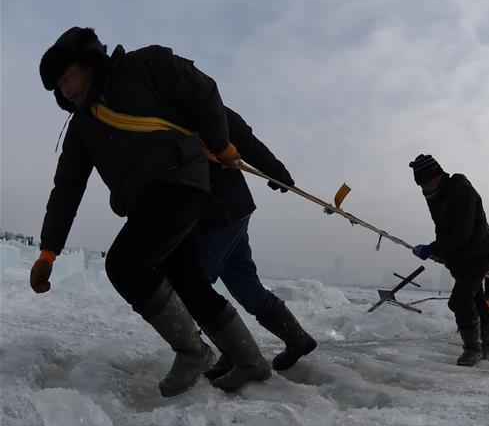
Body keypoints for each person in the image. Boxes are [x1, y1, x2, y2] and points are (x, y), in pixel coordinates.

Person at [33, 26, 270, 397]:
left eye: (67, 77)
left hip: (180, 180)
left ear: (87, 61)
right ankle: (250, 360)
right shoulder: (82, 128)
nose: (66, 89)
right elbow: (66, 189)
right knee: (186, 277)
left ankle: (193, 352)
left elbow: (202, 90)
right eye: (58, 88)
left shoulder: (143, 65)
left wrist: (222, 144)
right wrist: (49, 250)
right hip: (148, 201)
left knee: (124, 265)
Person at [199, 108, 318, 381]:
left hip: (220, 211)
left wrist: (276, 172)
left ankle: (233, 352)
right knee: (244, 284)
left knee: (192, 284)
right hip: (225, 210)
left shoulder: (190, 98)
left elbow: (242, 137)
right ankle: (296, 338)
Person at [409, 155, 489, 366]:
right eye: (420, 185)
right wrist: (439, 252)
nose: (423, 189)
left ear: (437, 176)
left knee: (459, 300)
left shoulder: (461, 189)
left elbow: (462, 234)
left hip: (479, 252)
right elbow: (443, 230)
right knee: (475, 299)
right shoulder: (434, 196)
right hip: (460, 256)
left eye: (425, 183)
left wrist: (432, 249)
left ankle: (472, 349)